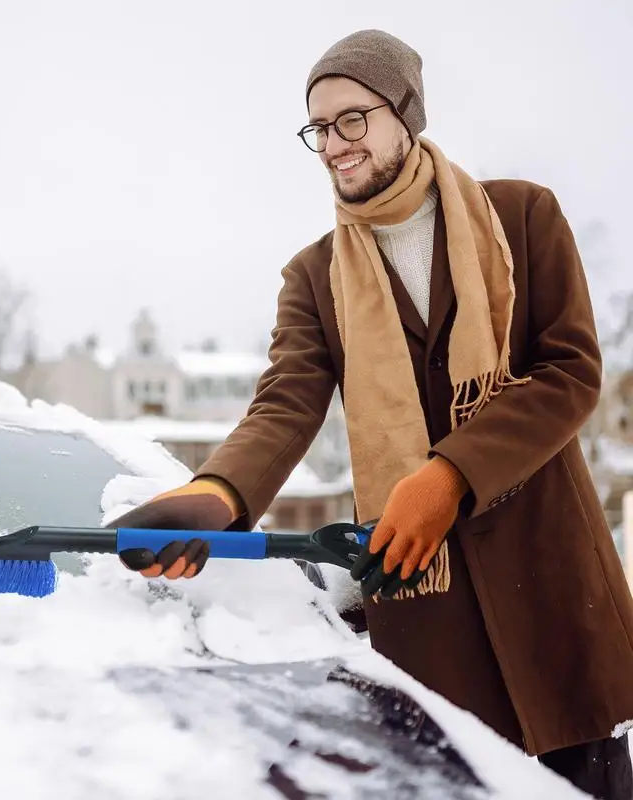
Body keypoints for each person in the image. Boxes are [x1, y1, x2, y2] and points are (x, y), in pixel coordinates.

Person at [111, 29, 633, 799]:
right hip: (430, 630)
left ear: (405, 113)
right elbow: (286, 403)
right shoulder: (315, 277)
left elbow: (569, 371)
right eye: (319, 128)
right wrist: (220, 494)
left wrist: (448, 477)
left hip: (555, 596)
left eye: (352, 118)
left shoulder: (522, 219)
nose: (333, 144)